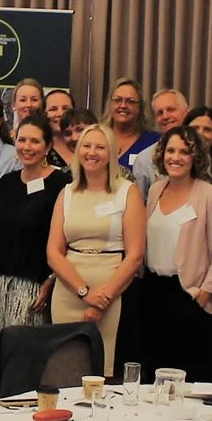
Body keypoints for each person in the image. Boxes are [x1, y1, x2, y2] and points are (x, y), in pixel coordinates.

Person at [129, 126, 212, 381]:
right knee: (153, 375)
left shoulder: (211, 196)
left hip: (188, 294)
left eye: (184, 152)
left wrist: (201, 297)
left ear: (195, 156)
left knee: (189, 377)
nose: (176, 157)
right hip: (152, 292)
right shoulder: (156, 190)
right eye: (171, 150)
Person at [47, 123, 143, 376]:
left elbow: (135, 256)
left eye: (100, 147)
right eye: (86, 146)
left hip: (112, 293)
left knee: (104, 371)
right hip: (68, 293)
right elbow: (54, 252)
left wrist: (102, 300)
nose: (92, 152)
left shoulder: (127, 192)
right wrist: (84, 292)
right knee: (65, 370)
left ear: (111, 153)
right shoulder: (67, 193)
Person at [0, 114, 64, 335]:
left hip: (36, 286)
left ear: (48, 147)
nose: (27, 147)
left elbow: (65, 240)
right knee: (3, 346)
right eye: (22, 140)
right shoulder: (7, 182)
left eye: (35, 141)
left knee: (26, 348)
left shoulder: (61, 183)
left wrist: (51, 281)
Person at [129, 89, 190, 196]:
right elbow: (139, 202)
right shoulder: (144, 160)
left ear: (187, 112)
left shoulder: (201, 151)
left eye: (171, 109)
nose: (165, 116)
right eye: (160, 113)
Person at [104, 79, 156, 174]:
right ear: (110, 104)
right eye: (118, 100)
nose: (123, 105)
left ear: (139, 107)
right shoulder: (98, 137)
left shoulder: (154, 141)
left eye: (130, 101)